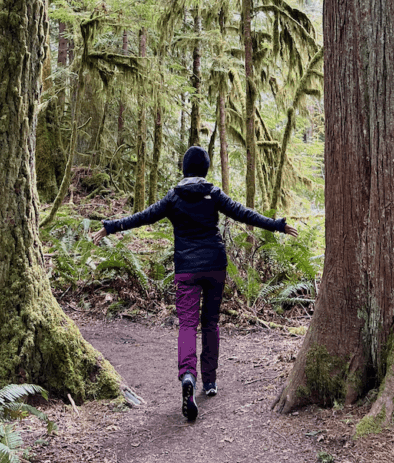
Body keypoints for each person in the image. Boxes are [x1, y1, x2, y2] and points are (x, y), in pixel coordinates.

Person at [91, 145, 299, 422]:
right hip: (215, 265)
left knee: (188, 325)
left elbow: (143, 217)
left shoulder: (174, 197)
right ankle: (209, 382)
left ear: (184, 168)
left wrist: (112, 226)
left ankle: (188, 375)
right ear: (206, 169)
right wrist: (277, 225)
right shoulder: (213, 194)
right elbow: (243, 214)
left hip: (186, 269)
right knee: (211, 323)